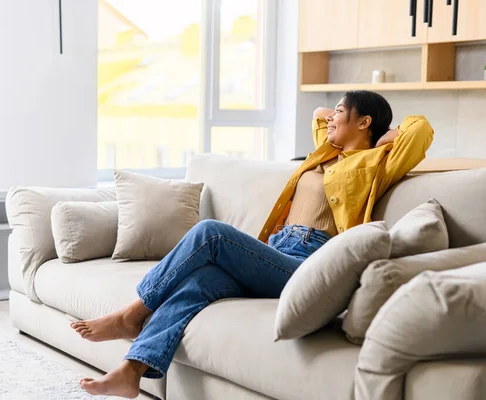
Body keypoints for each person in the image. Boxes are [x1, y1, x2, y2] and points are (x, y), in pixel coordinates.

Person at [71, 90, 434, 397]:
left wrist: (388, 138)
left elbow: (421, 130)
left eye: (341, 111)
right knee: (201, 281)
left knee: (210, 232)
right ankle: (132, 371)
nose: (330, 119)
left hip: (308, 261)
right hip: (277, 250)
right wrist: (344, 117)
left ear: (365, 122)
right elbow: (318, 114)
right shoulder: (325, 152)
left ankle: (131, 314)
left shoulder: (377, 163)